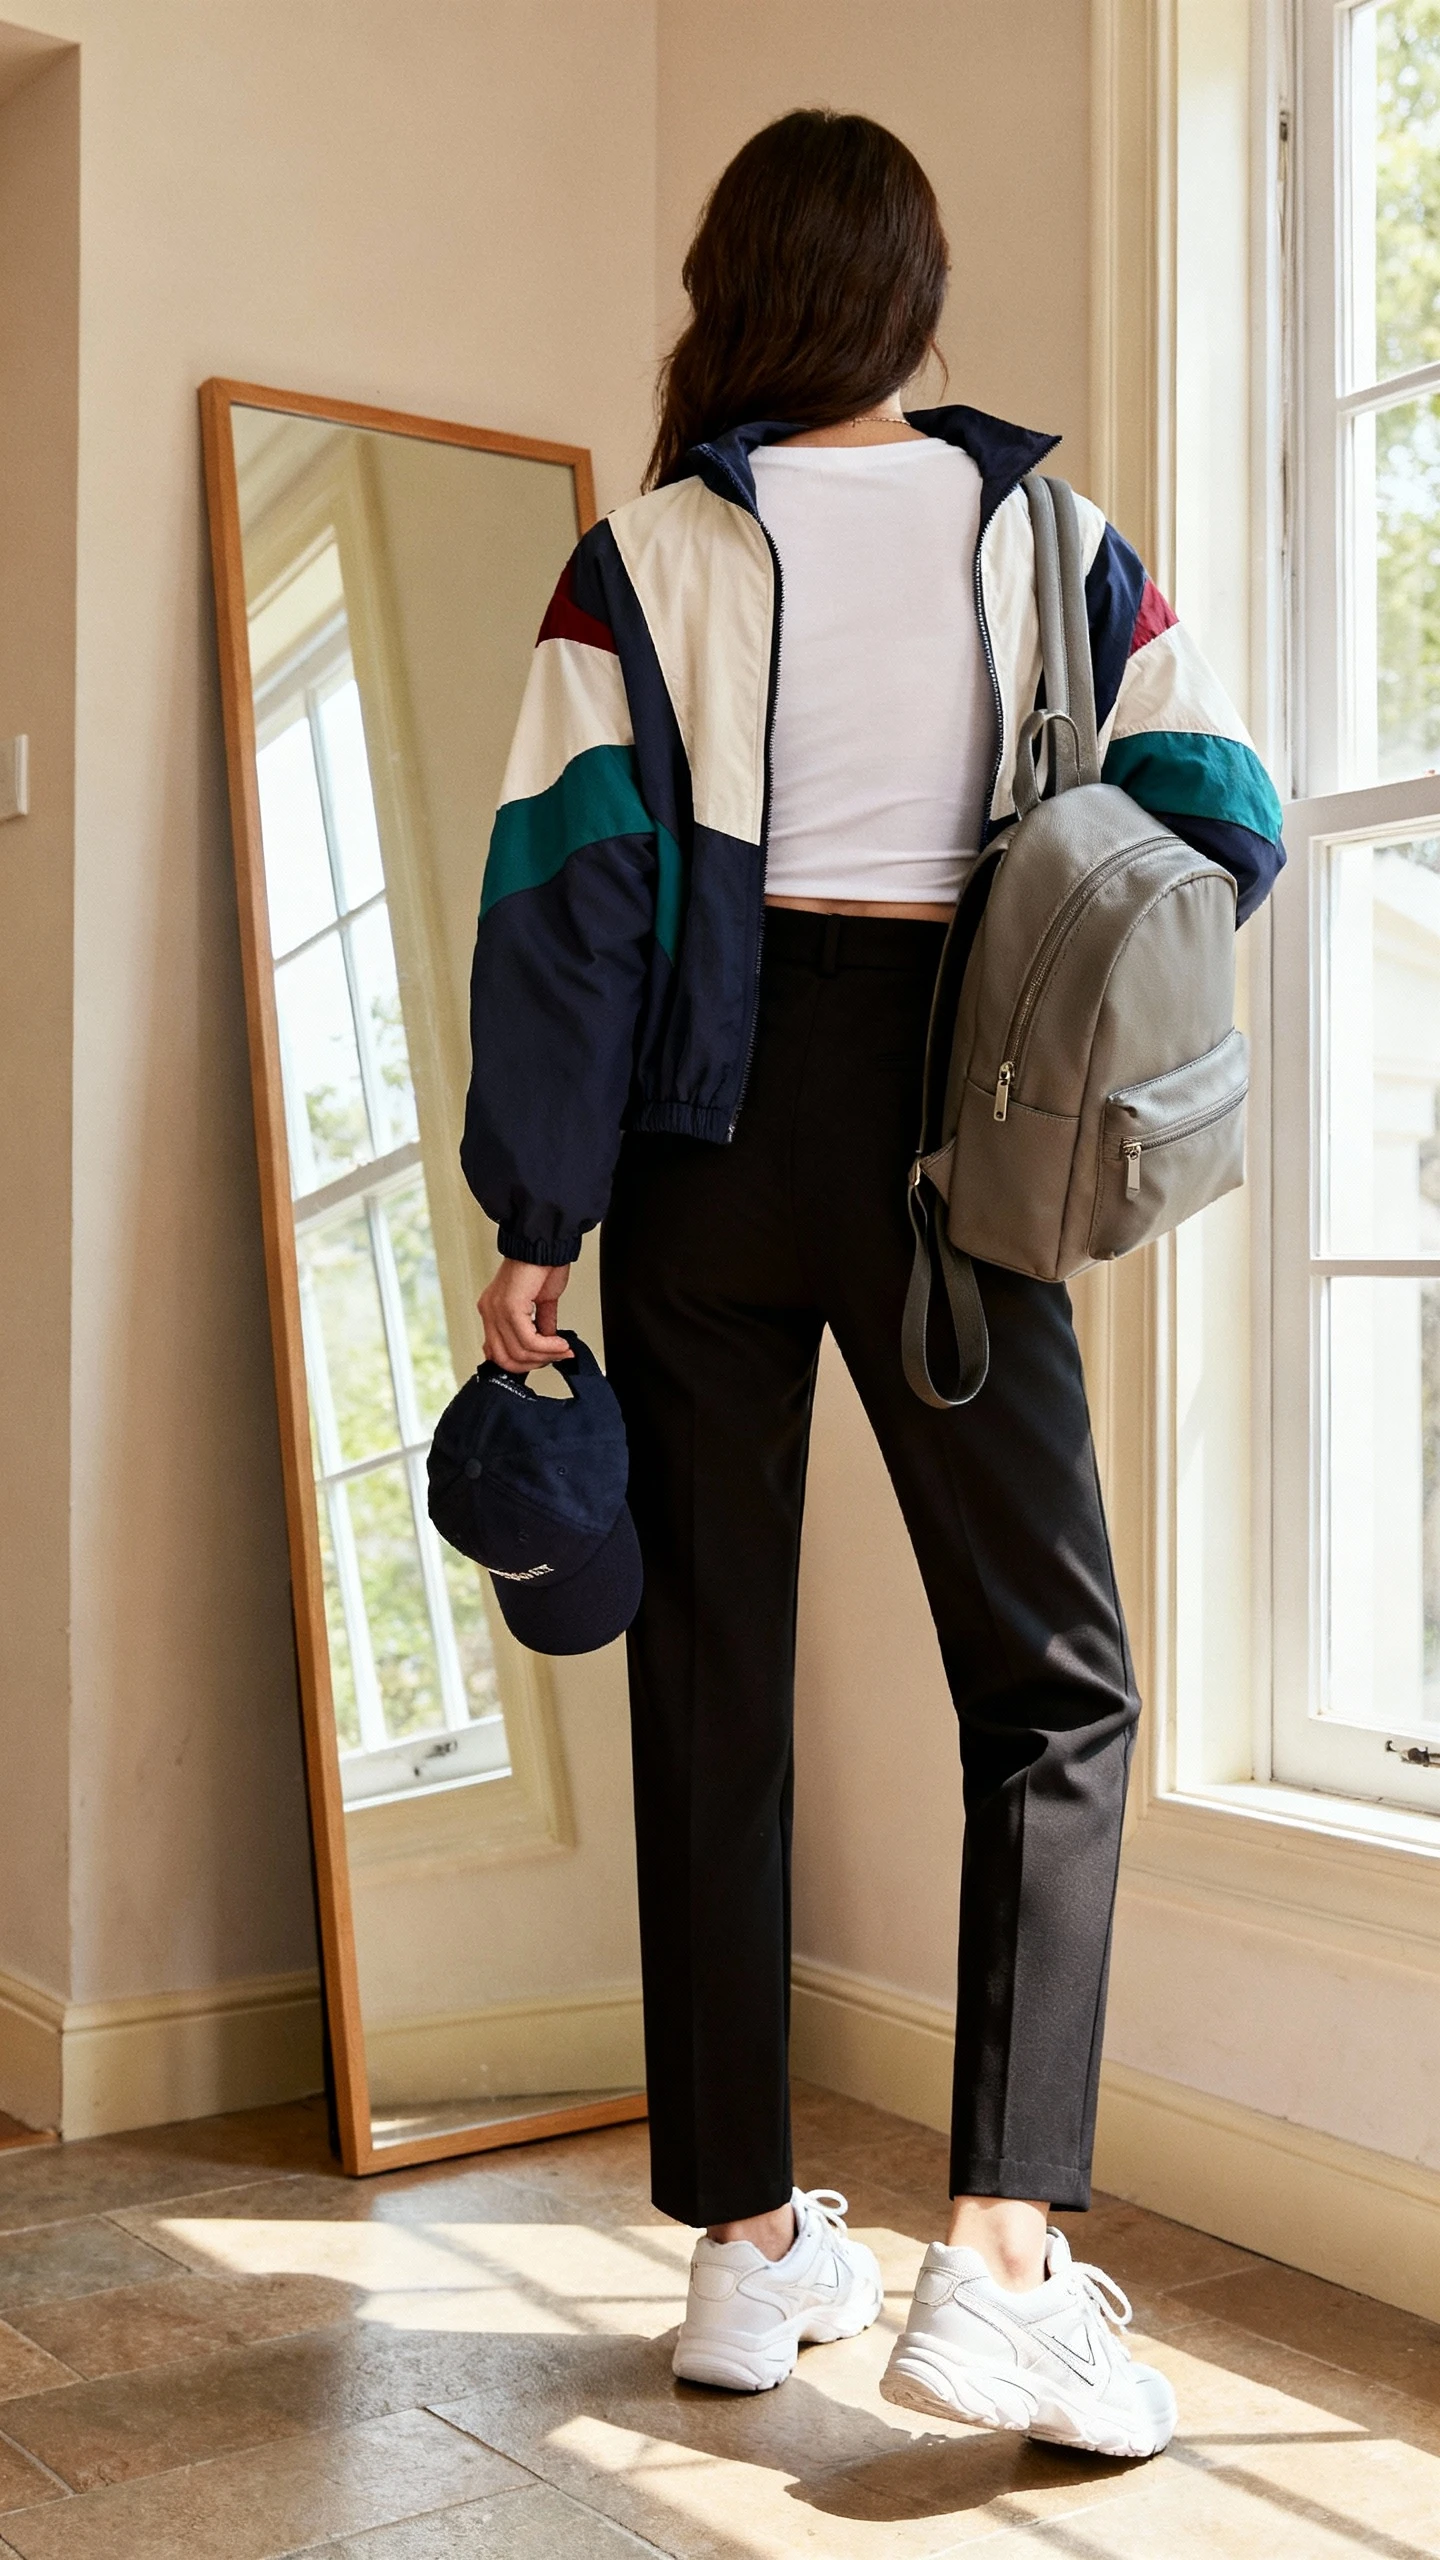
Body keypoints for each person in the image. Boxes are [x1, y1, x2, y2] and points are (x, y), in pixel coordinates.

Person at [461, 110, 1283, 2458]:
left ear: (736, 288)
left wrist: (541, 1217)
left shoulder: (636, 557)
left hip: (699, 1157)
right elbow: (1218, 820)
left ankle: (742, 2249)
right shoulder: (1054, 537)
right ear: (914, 295)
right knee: (1056, 1685)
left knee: (714, 1680)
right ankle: (1004, 2256)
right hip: (957, 1144)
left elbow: (566, 904)